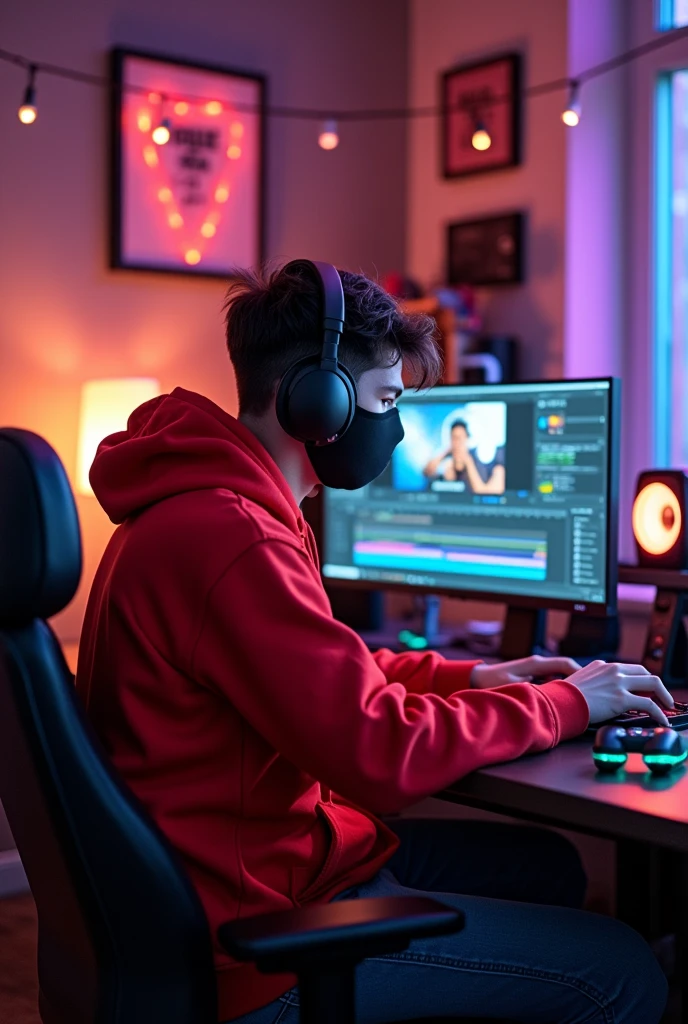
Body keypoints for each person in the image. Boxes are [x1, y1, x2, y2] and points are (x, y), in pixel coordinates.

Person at [76, 261, 670, 1024]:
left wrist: (478, 679)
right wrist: (561, 705)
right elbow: (379, 753)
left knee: (546, 866)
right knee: (621, 973)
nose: (393, 429)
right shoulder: (231, 538)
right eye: (387, 400)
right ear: (317, 400)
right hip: (251, 942)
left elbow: (325, 672)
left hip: (234, 877)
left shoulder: (211, 507)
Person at [423, 418, 505, 494]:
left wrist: (468, 462)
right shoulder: (448, 461)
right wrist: (446, 452)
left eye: (460, 438)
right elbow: (427, 472)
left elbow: (481, 491)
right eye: (454, 438)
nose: (457, 443)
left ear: (467, 438)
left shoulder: (476, 462)